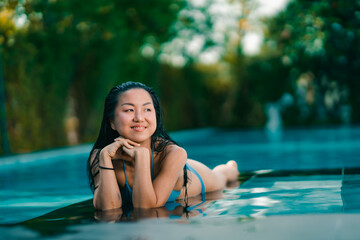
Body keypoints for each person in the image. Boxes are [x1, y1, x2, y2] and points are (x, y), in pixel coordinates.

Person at [87, 81, 239, 210]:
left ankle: (230, 167)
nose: (139, 118)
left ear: (156, 116)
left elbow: (145, 207)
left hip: (197, 176)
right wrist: (105, 159)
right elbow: (108, 208)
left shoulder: (174, 153)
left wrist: (142, 156)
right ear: (112, 121)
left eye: (147, 109)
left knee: (223, 176)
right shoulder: (103, 155)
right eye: (129, 110)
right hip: (166, 164)